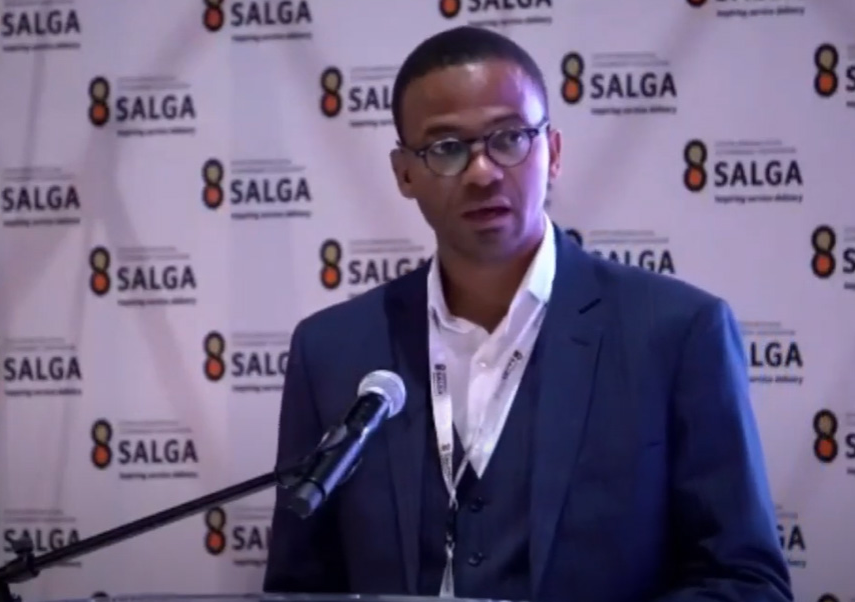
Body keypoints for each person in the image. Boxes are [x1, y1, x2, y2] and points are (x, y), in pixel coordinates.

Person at [263, 25, 792, 602]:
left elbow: (746, 583)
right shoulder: (333, 350)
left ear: (553, 152)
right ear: (404, 173)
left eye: (510, 138)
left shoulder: (676, 333)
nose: (483, 171)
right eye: (446, 148)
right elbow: (297, 590)